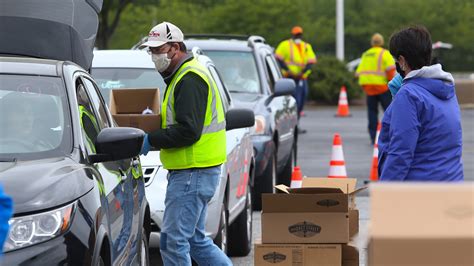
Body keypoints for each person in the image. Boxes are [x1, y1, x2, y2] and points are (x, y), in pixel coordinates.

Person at [138, 22, 231, 265]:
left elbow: (188, 131)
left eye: (158, 49)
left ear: (175, 48)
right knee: (194, 241)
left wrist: (150, 139)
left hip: (193, 172)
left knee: (173, 241)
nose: (154, 55)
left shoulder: (189, 78)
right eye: (151, 50)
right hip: (195, 171)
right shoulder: (182, 75)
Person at [378, 25, 463, 181]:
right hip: (451, 184)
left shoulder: (408, 95)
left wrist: (385, 191)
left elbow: (400, 153)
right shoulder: (445, 88)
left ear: (402, 61)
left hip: (420, 191)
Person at [355, 33, 396, 144]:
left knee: (372, 113)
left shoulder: (366, 54)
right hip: (382, 87)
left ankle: (373, 137)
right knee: (389, 112)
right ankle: (390, 135)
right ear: (382, 42)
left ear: (372, 43)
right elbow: (391, 71)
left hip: (369, 88)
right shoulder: (385, 53)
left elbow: (358, 72)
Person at [275, 26, 317, 133]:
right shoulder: (285, 45)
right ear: (292, 34)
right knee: (292, 102)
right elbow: (279, 59)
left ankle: (296, 125)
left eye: (299, 34)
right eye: (296, 34)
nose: (298, 36)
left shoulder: (306, 46)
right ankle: (291, 126)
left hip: (301, 79)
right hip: (289, 79)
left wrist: (302, 73)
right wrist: (288, 71)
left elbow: (311, 61)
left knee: (301, 101)